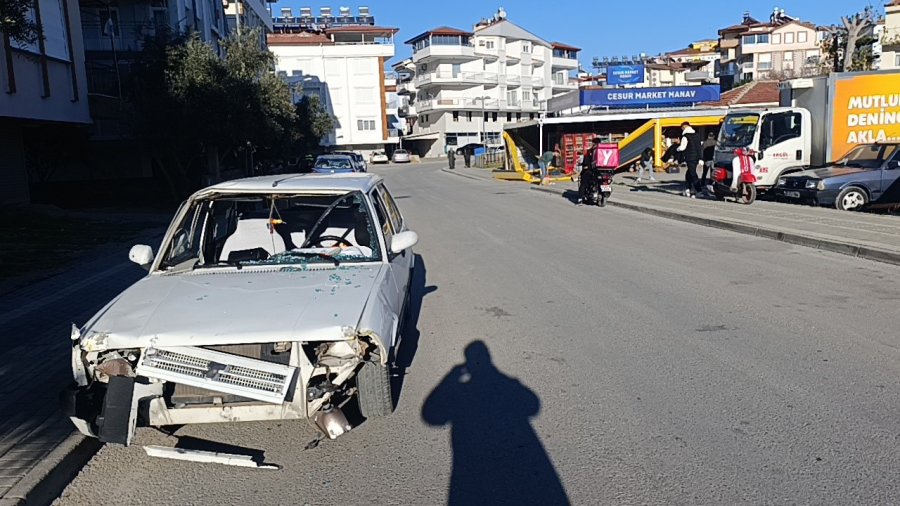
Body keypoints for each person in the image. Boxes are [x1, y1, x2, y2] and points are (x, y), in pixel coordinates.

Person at [677, 121, 702, 198]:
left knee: (693, 173)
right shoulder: (697, 135)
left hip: (690, 157)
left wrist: (677, 149)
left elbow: (682, 147)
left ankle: (698, 190)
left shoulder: (685, 136)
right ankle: (688, 188)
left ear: (684, 127)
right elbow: (699, 146)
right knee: (689, 173)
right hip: (697, 157)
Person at [577, 138, 598, 204]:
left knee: (583, 182)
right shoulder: (604, 151)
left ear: (594, 143)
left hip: (590, 171)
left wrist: (583, 164)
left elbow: (585, 162)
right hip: (604, 171)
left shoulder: (590, 151)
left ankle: (580, 198)